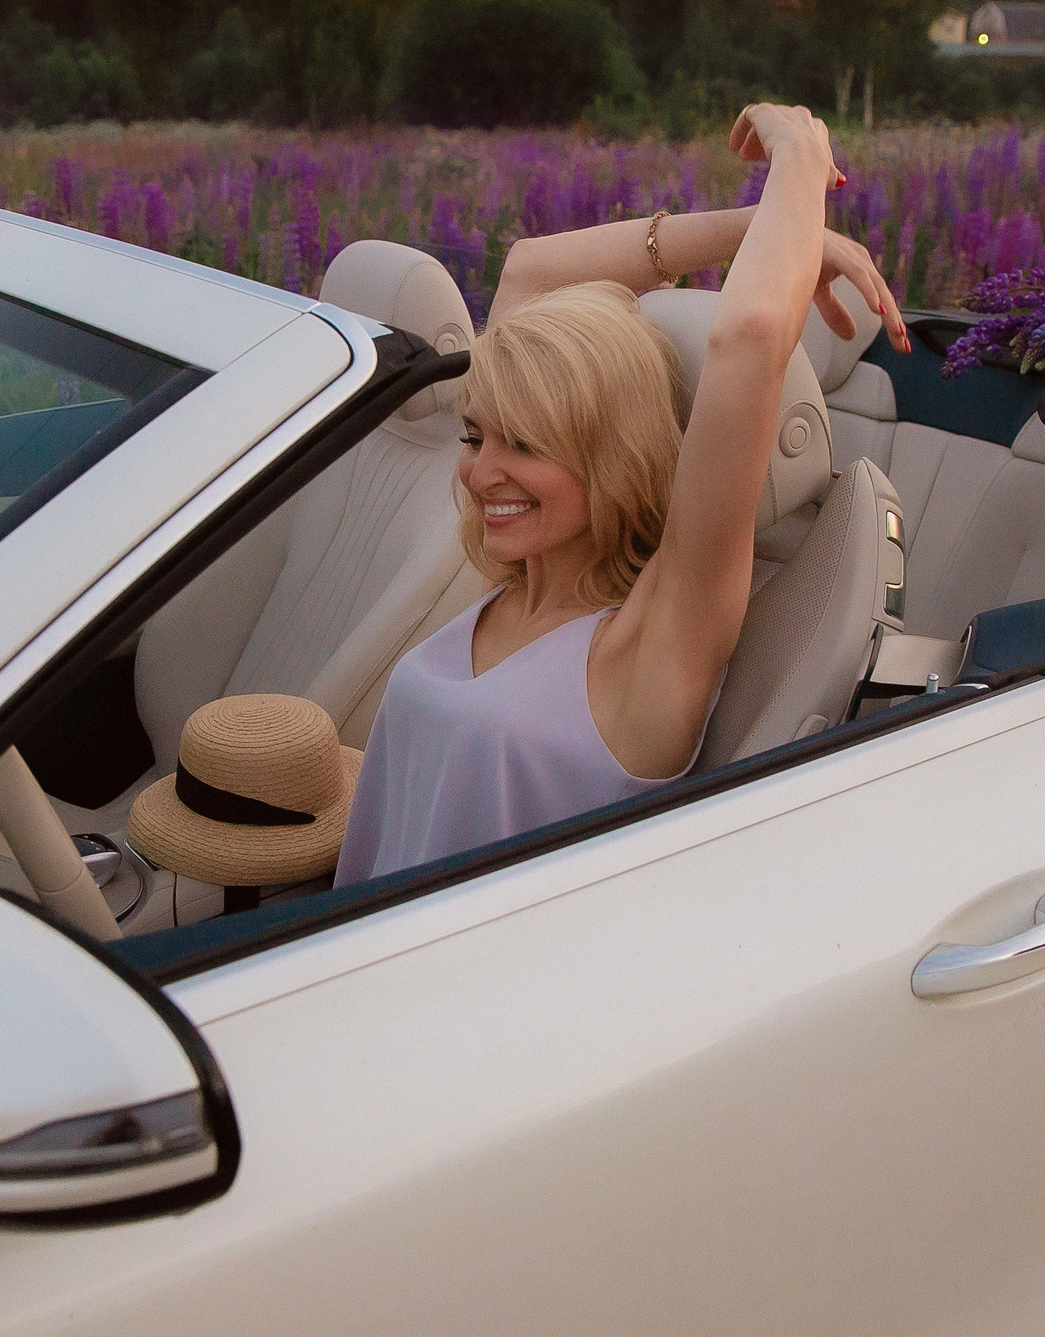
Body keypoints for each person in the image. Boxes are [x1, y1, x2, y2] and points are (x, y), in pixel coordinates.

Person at [334, 105, 909, 884]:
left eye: (525, 445)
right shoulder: (518, 578)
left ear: (610, 459)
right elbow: (529, 271)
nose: (481, 472)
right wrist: (762, 226)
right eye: (475, 436)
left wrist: (801, 156)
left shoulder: (655, 639)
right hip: (356, 945)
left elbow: (748, 341)